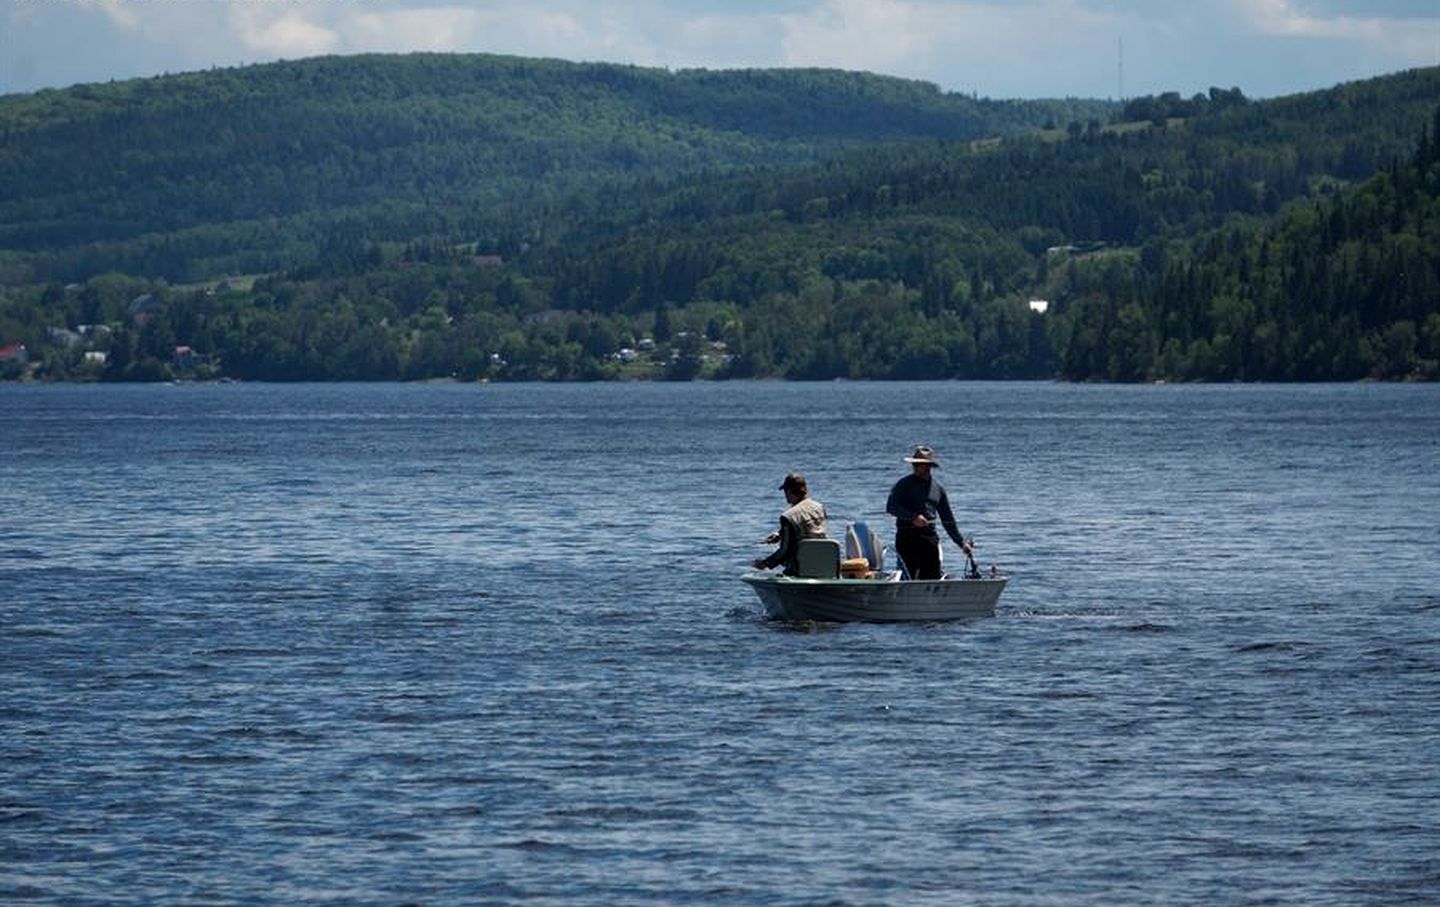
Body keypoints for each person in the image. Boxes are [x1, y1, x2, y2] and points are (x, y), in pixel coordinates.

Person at [886, 445, 972, 580]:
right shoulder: (903, 484)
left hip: (929, 538)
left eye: (919, 464)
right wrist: (913, 517)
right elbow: (891, 507)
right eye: (914, 464)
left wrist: (961, 543)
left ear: (928, 466)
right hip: (907, 537)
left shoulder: (938, 489)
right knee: (908, 575)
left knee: (932, 576)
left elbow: (948, 520)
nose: (915, 467)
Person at [752, 472, 828, 575]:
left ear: (788, 491)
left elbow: (785, 551)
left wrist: (765, 564)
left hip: (799, 568)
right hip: (824, 563)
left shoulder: (787, 516)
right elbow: (809, 529)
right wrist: (780, 534)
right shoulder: (819, 507)